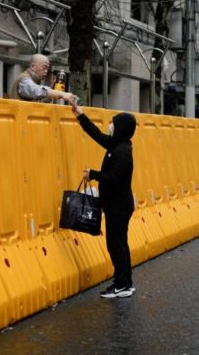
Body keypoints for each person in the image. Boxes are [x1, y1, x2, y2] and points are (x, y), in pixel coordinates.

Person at [70, 100, 137, 298]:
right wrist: (80, 115)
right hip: (116, 205)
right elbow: (97, 135)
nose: (110, 126)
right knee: (120, 244)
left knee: (116, 245)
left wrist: (94, 174)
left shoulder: (122, 152)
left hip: (119, 206)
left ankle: (121, 284)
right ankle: (125, 283)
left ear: (121, 128)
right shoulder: (118, 145)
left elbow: (115, 178)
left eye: (114, 124)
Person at [10, 54, 76, 103]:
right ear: (33, 66)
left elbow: (42, 101)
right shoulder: (24, 80)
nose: (46, 71)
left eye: (47, 69)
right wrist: (61, 94)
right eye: (44, 68)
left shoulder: (34, 80)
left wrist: (51, 88)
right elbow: (36, 91)